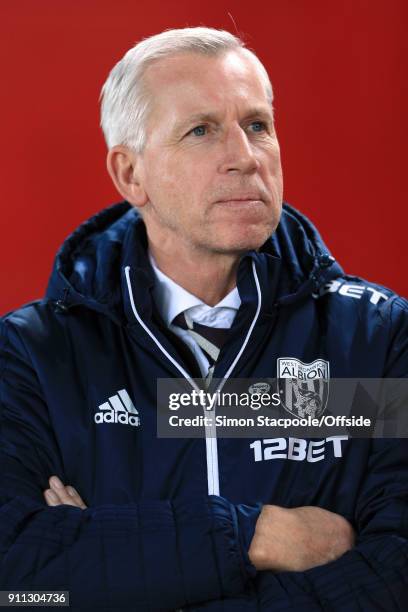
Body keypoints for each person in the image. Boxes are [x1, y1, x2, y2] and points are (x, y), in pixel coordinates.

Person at [0, 26, 407, 611]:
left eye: (258, 125)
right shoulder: (34, 358)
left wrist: (115, 558)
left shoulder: (376, 340)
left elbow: (393, 577)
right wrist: (253, 536)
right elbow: (18, 583)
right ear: (129, 174)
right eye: (201, 131)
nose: (244, 157)